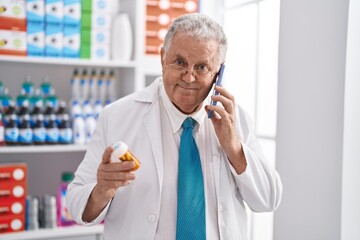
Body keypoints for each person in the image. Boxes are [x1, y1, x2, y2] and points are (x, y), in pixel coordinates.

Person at [67, 13, 283, 240]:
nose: (189, 78)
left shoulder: (235, 121)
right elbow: (76, 205)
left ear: (219, 73)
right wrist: (102, 190)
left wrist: (233, 147)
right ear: (163, 58)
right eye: (180, 62)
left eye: (201, 67)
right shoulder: (117, 116)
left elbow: (268, 199)